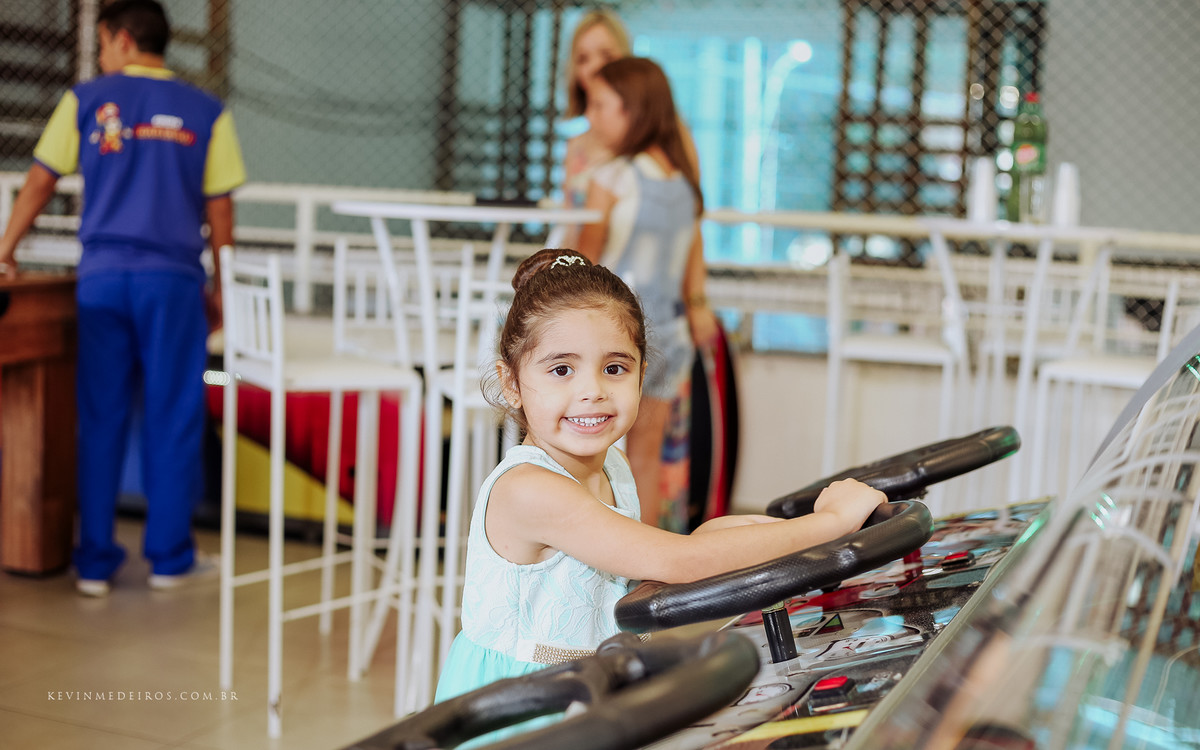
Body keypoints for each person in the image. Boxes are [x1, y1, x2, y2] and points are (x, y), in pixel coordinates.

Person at [434, 248, 886, 715]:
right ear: (511, 382)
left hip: (597, 683)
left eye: (615, 368)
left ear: (641, 374)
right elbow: (680, 561)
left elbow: (645, 564)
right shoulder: (529, 489)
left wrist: (746, 535)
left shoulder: (613, 465)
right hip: (523, 704)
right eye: (561, 369)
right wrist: (832, 524)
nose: (592, 391)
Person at [0, 0, 246, 596]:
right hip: (173, 284)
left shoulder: (84, 101)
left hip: (103, 280)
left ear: (121, 39)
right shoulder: (208, 113)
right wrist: (221, 287)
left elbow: (39, 181)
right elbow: (220, 212)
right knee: (173, 415)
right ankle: (168, 559)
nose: (103, 53)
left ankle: (94, 563)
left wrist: (4, 250)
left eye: (105, 41)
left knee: (101, 415)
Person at [573, 57, 716, 528]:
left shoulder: (613, 175)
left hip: (616, 336)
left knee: (597, 457)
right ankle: (646, 569)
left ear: (633, 109)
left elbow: (584, 262)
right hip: (670, 332)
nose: (591, 116)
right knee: (646, 457)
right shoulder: (681, 178)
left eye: (601, 105)